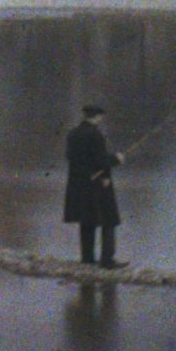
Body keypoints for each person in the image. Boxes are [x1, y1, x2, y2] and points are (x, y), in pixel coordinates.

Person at [63, 104, 124, 267]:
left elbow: (71, 156)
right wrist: (116, 159)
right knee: (109, 220)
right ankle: (107, 260)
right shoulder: (95, 135)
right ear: (98, 116)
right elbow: (100, 161)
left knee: (86, 221)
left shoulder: (73, 133)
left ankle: (87, 259)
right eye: (100, 116)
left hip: (78, 184)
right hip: (98, 184)